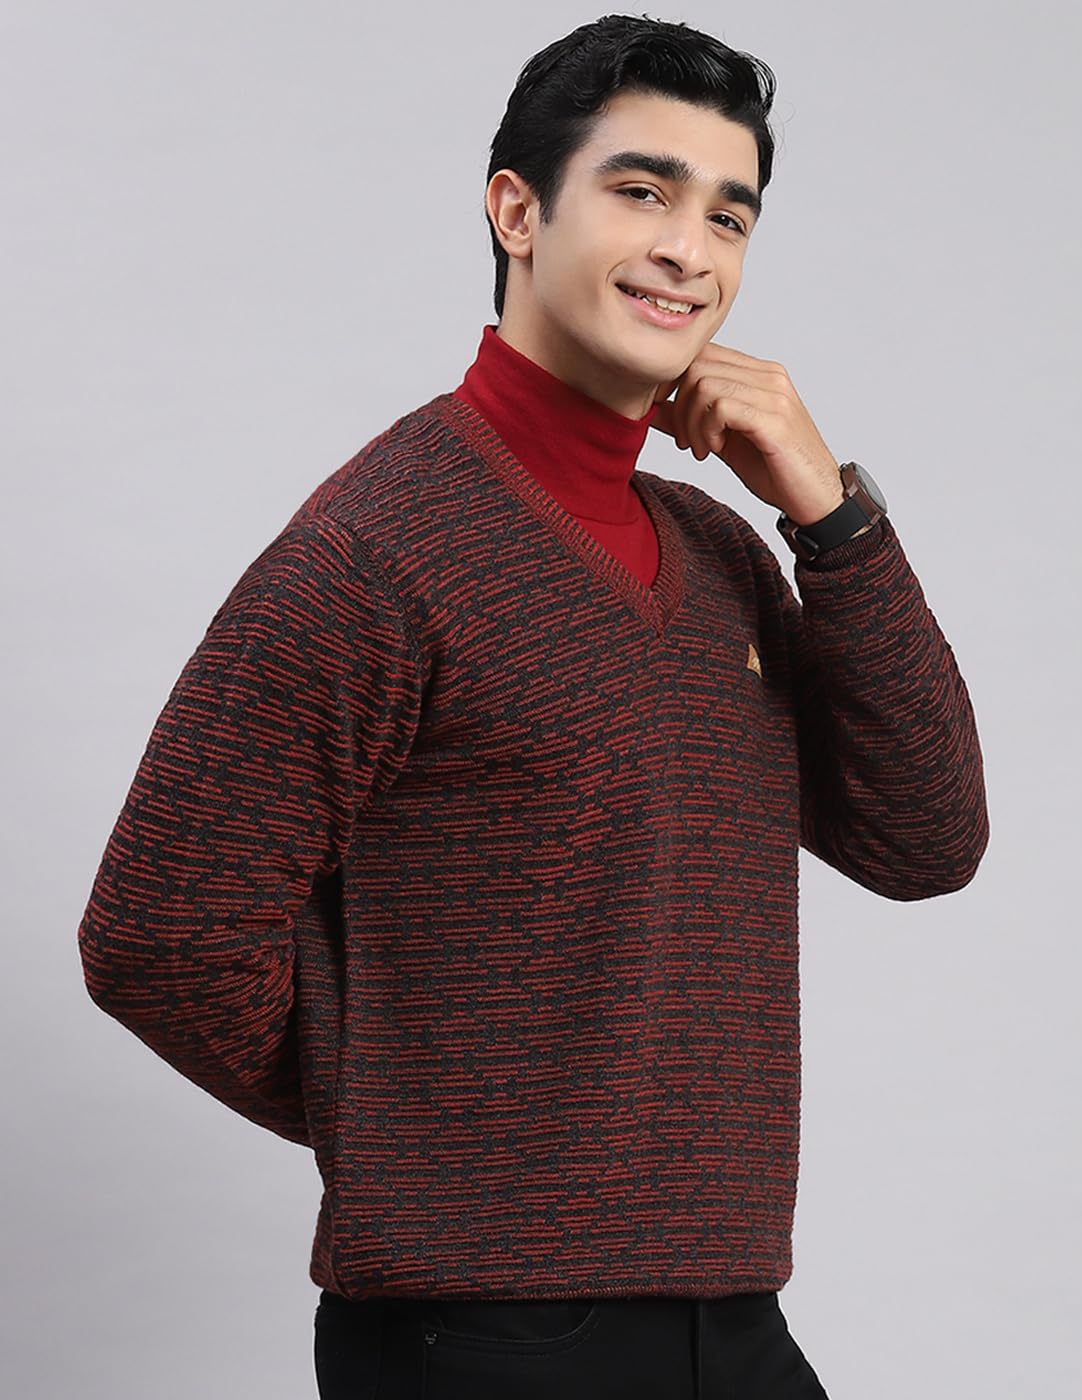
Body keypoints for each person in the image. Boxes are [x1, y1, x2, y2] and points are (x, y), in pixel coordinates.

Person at [77, 13, 989, 1399]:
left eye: (728, 215)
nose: (689, 249)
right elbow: (158, 935)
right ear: (516, 210)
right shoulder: (382, 550)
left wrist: (831, 512)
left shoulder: (720, 553)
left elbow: (926, 839)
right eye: (643, 191)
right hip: (484, 1334)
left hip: (730, 1311)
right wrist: (421, 1133)